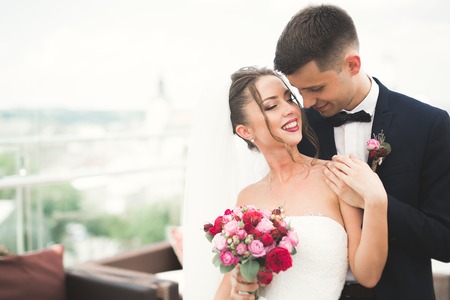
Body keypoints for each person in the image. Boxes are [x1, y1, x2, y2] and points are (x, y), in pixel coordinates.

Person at [273, 4, 450, 300]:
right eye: (298, 90)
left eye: (316, 88)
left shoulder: (429, 125)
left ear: (352, 64)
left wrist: (374, 200)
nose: (305, 103)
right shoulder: (299, 131)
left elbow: (445, 243)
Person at [215, 66, 388, 299]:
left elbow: (369, 275)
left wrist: (377, 201)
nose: (290, 109)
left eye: (290, 99)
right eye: (271, 106)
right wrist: (242, 289)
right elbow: (228, 291)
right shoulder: (247, 199)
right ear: (246, 131)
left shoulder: (335, 175)